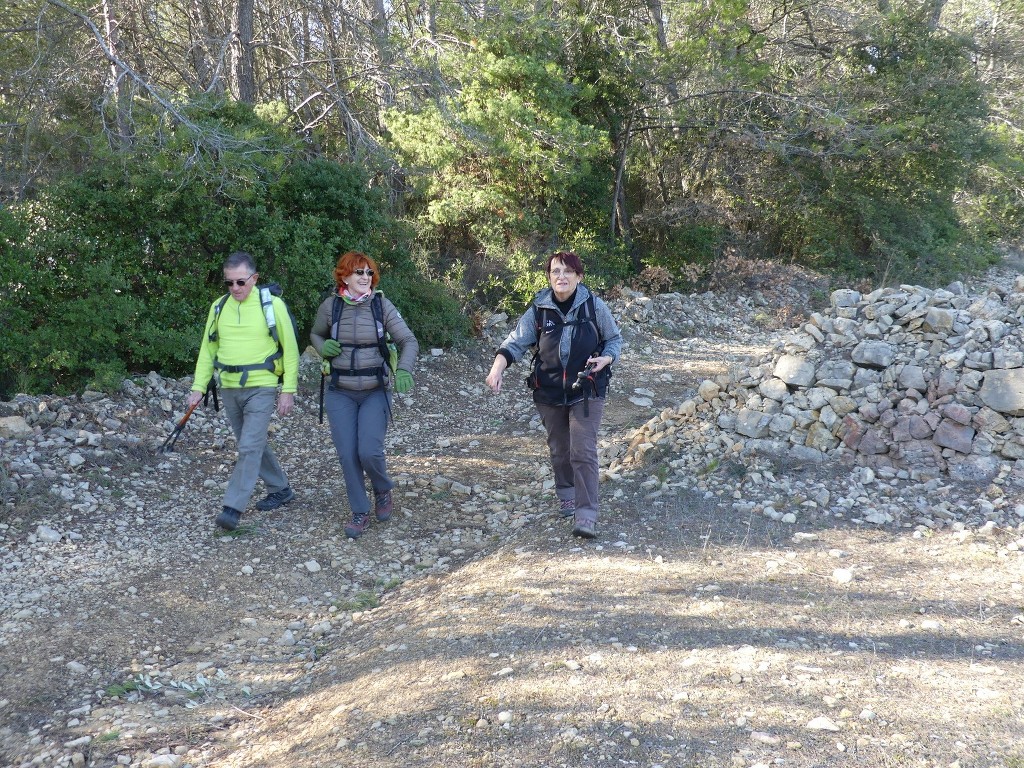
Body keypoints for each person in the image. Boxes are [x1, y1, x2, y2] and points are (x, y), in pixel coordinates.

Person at [486, 251, 622, 539]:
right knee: (560, 451)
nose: (561, 277)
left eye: (568, 271)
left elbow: (614, 339)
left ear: (579, 276)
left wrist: (606, 359)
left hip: (588, 389)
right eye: (555, 271)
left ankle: (586, 515)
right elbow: (515, 342)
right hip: (547, 391)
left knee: (582, 451)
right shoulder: (539, 309)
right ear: (549, 276)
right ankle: (566, 493)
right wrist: (498, 368)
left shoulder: (594, 307)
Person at [188, 251, 299, 531]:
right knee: (252, 444)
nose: (235, 288)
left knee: (249, 447)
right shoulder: (218, 307)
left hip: (261, 387)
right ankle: (280, 488)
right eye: (229, 283)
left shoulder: (273, 306)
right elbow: (207, 350)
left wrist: (288, 390)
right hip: (228, 388)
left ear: (255, 278)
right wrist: (198, 387)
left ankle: (232, 508)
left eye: (241, 282)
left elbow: (291, 350)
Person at [310, 251, 419, 539]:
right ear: (344, 276)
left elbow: (408, 340)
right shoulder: (330, 306)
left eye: (369, 272)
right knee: (347, 454)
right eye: (359, 272)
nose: (365, 277)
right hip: (339, 391)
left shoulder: (381, 305)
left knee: (368, 451)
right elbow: (315, 334)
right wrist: (323, 349)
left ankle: (382, 489)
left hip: (374, 390)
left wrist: (404, 370)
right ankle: (359, 511)